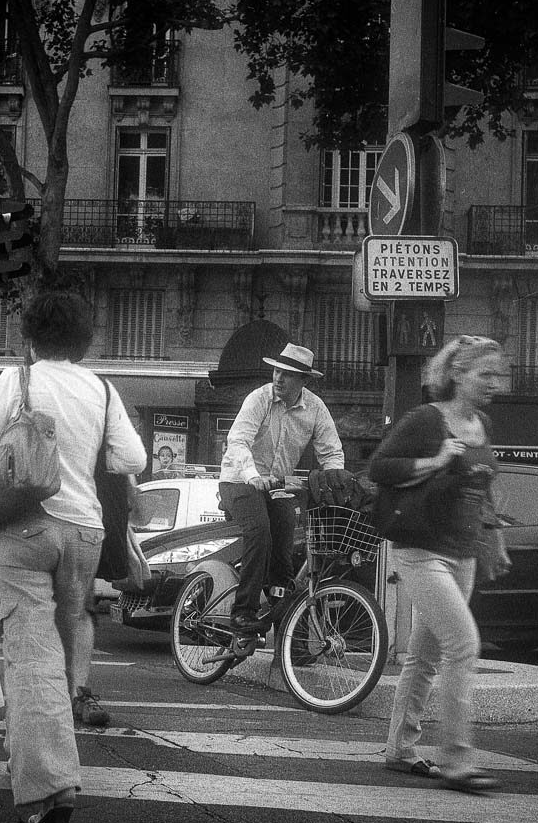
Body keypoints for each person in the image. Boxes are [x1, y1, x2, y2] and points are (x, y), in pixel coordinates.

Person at [0, 290, 146, 823]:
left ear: (31, 336)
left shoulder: (18, 381)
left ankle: (49, 790)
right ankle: (44, 761)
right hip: (85, 534)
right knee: (61, 648)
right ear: (83, 339)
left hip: (25, 529)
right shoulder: (102, 389)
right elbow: (133, 457)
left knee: (31, 661)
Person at [368, 335, 510, 795]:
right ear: (457, 374)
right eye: (485, 374)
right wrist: (435, 459)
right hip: (420, 548)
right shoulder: (428, 420)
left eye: (497, 374)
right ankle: (457, 761)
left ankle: (399, 750)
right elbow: (379, 467)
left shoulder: (483, 424)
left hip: (463, 552)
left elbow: (482, 489)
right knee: (463, 644)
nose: (495, 383)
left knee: (426, 655)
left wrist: (496, 539)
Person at [218, 342, 349, 635]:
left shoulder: (315, 408)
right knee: (260, 531)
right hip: (238, 479)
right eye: (277, 371)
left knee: (286, 541)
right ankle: (243, 612)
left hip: (275, 486)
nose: (278, 378)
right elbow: (238, 441)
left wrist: (335, 482)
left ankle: (286, 624)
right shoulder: (259, 399)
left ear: (304, 381)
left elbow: (331, 453)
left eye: (287, 374)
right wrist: (253, 476)